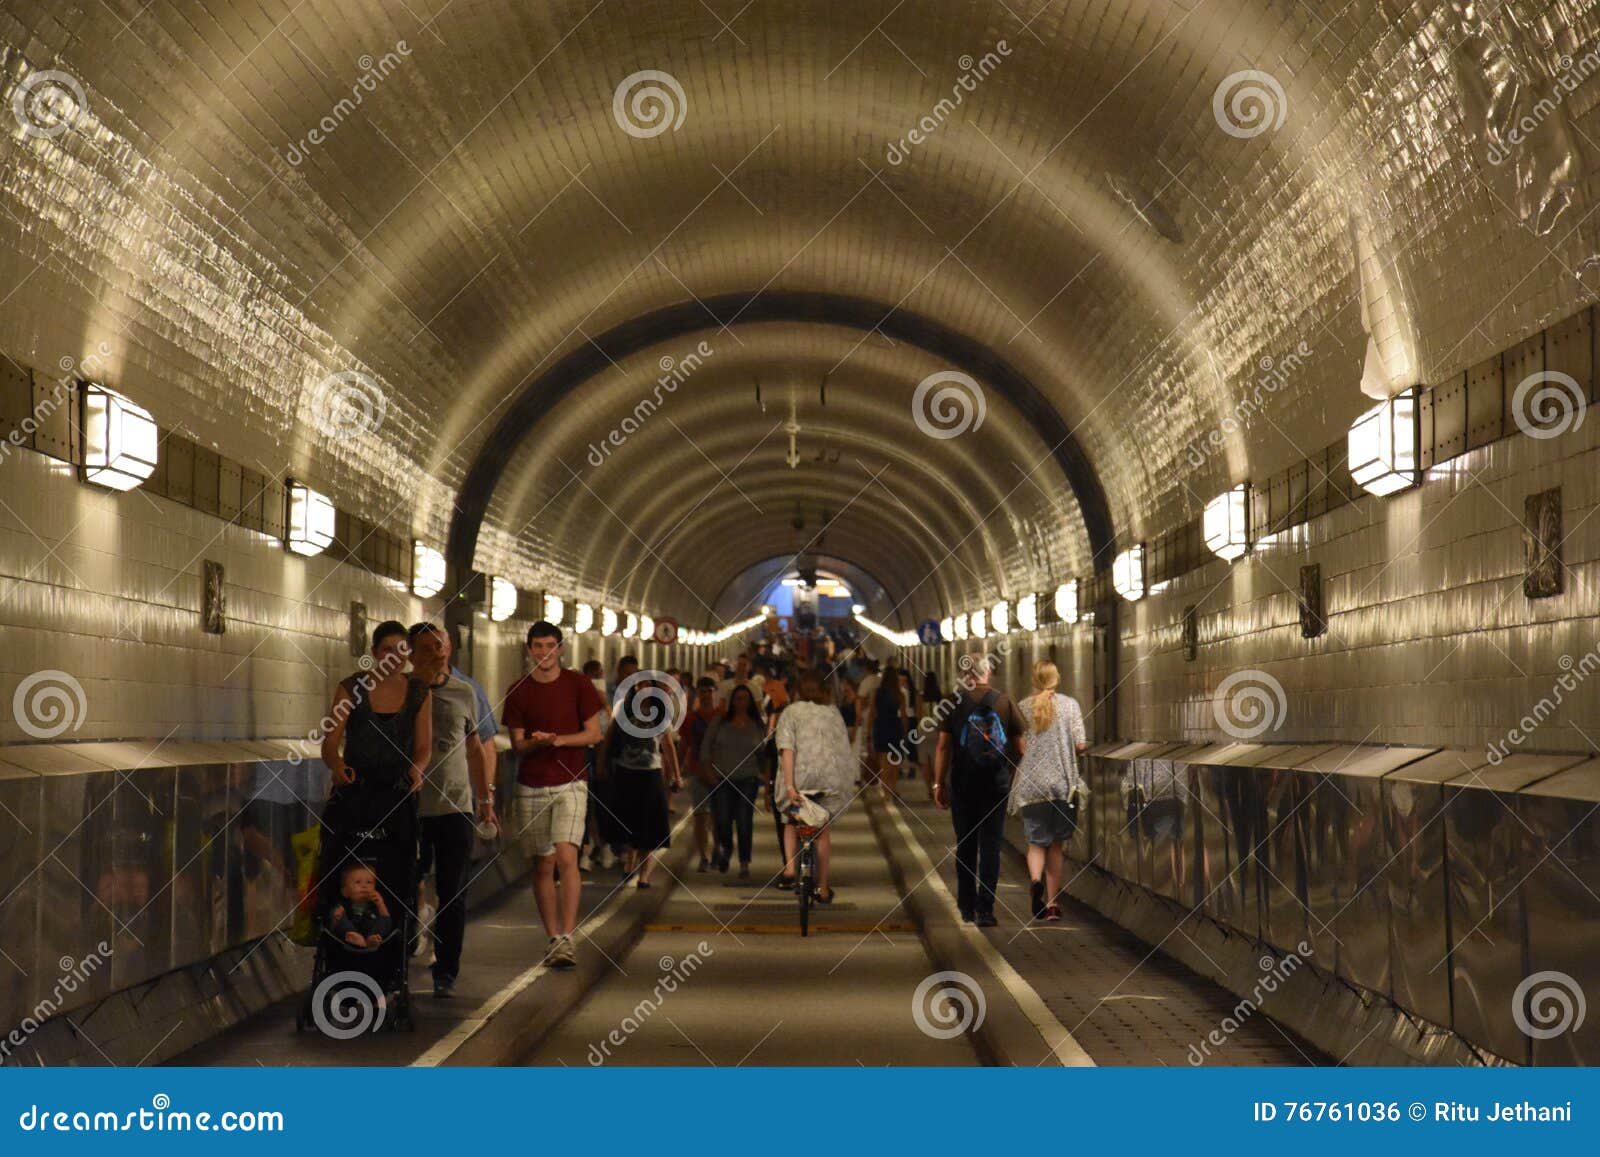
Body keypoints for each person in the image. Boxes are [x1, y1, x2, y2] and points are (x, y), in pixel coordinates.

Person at [502, 621, 605, 969]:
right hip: (531, 783)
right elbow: (517, 745)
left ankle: (567, 936)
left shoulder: (579, 684)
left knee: (566, 856)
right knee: (543, 863)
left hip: (571, 781)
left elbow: (593, 734)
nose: (544, 653)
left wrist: (559, 740)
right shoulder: (518, 691)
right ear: (529, 649)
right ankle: (552, 935)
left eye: (550, 646)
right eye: (537, 646)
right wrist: (537, 742)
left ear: (560, 649)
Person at [408, 622, 494, 997]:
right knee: (406, 883)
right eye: (427, 648)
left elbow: (474, 748)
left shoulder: (464, 692)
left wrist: (485, 799)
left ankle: (446, 970)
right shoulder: (403, 692)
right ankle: (404, 947)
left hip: (455, 806)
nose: (437, 654)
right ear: (411, 654)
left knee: (453, 891)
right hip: (412, 806)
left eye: (441, 646)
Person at [933, 651, 1026, 927]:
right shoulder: (1006, 701)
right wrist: (1008, 773)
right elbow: (1020, 748)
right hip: (995, 786)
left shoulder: (953, 702)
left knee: (966, 844)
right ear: (988, 673)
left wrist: (938, 782)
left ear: (966, 675)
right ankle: (986, 909)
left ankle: (966, 907)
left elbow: (943, 746)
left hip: (962, 783)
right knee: (991, 846)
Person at [1009, 661, 1088, 922]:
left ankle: (1034, 880)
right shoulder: (1070, 705)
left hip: (1031, 785)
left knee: (1035, 843)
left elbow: (1019, 748)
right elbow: (1080, 744)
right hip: (1062, 785)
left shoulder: (1022, 707)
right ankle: (1053, 905)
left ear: (1034, 679)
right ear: (1057, 678)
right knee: (1056, 846)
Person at [321, 620, 431, 795]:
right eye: (388, 649)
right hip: (355, 788)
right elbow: (330, 742)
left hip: (400, 790)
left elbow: (423, 746)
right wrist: (337, 765)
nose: (395, 656)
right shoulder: (353, 687)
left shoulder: (419, 691)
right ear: (375, 652)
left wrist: (417, 770)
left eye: (401, 649)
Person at [774, 670, 856, 902]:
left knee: (791, 818)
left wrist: (790, 786)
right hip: (830, 779)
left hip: (800, 777)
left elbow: (787, 750)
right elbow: (843, 749)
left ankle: (790, 868)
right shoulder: (833, 713)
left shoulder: (791, 712)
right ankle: (823, 886)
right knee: (822, 829)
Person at [600, 675, 682, 887]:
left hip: (651, 772)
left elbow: (668, 745)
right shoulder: (622, 709)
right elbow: (609, 737)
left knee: (649, 824)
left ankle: (644, 872)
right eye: (639, 686)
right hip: (627, 771)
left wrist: (676, 774)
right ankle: (629, 863)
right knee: (629, 821)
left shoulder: (660, 711)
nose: (643, 690)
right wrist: (602, 764)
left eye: (647, 686)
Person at [701, 683, 767, 877]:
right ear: (731, 701)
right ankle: (726, 848)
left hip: (748, 779)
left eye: (745, 699)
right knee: (722, 820)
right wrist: (708, 772)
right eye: (738, 699)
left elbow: (763, 753)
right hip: (722, 778)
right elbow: (706, 747)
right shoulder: (720, 722)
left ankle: (744, 862)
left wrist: (765, 775)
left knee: (744, 820)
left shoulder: (756, 725)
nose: (741, 703)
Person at [681, 678, 722, 870]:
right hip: (698, 771)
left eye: (709, 691)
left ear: (715, 693)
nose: (706, 695)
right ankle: (703, 856)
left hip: (720, 771)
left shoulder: (722, 716)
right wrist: (677, 770)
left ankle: (718, 848)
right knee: (700, 815)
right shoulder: (690, 719)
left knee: (718, 815)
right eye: (702, 691)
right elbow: (685, 744)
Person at [863, 662, 909, 798]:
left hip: (881, 725)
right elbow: (904, 715)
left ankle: (886, 791)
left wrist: (869, 731)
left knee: (883, 760)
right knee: (895, 759)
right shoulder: (899, 694)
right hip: (894, 726)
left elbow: (872, 713)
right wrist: (905, 732)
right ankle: (893, 787)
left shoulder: (876, 693)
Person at [329, 863, 392, 948]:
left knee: (384, 920)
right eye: (358, 882)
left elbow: (387, 922)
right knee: (337, 914)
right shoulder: (344, 905)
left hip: (371, 932)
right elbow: (332, 927)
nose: (364, 886)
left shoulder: (375, 905)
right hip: (349, 934)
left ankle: (371, 939)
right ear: (345, 891)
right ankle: (354, 936)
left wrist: (381, 905)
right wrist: (336, 918)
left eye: (369, 882)